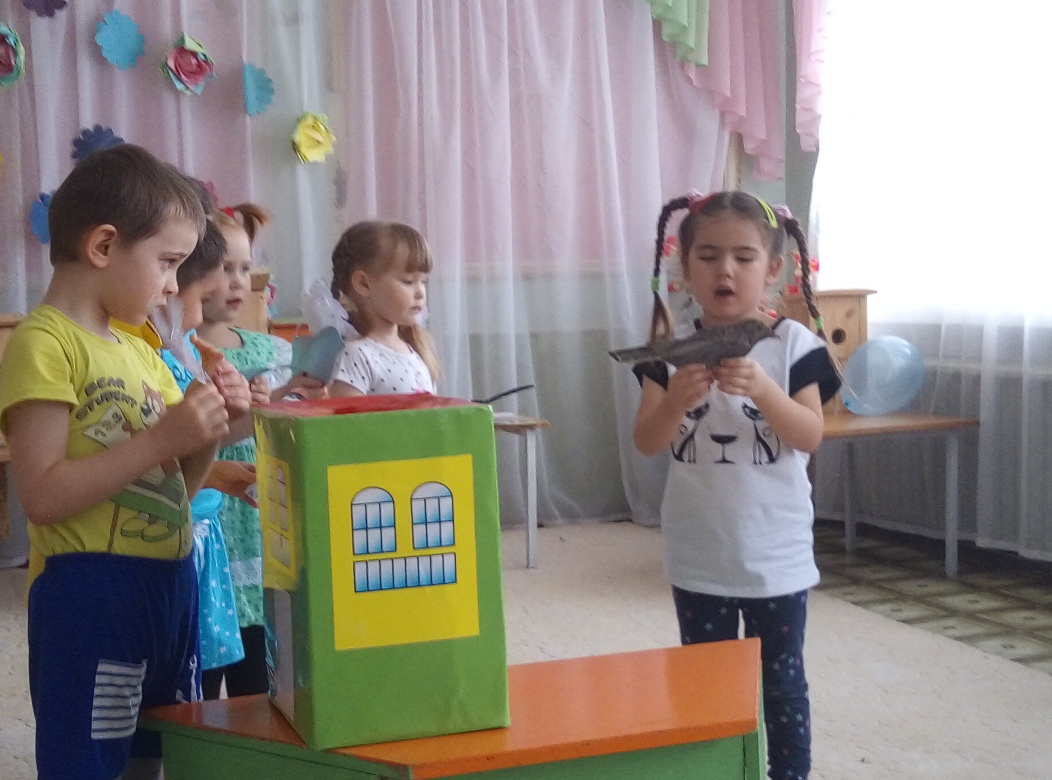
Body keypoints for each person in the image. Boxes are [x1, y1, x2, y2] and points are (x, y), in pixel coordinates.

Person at [0, 144, 235, 780]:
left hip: (168, 586)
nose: (173, 286)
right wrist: (160, 440)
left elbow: (176, 491)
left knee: (155, 752)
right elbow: (42, 496)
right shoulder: (44, 343)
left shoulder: (141, 353)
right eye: (168, 263)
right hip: (90, 595)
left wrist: (211, 427)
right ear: (103, 245)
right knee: (88, 760)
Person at [631, 191, 840, 780]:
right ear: (685, 266)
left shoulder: (794, 346)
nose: (726, 270)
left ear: (772, 269)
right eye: (709, 256)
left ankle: (789, 774)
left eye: (744, 258)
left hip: (776, 554)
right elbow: (647, 441)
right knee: (706, 684)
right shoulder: (668, 352)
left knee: (781, 679)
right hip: (700, 554)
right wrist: (675, 399)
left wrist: (765, 390)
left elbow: (810, 435)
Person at [193, 202, 322, 698]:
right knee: (202, 678)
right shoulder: (173, 351)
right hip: (210, 518)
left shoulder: (267, 349)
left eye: (245, 269)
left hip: (257, 515)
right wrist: (254, 412)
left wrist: (290, 395)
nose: (236, 282)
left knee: (259, 679)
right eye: (223, 267)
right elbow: (191, 440)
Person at [151, 200, 252, 685]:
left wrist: (233, 418)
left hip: (201, 533)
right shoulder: (153, 360)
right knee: (182, 682)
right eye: (203, 295)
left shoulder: (183, 354)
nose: (194, 315)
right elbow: (154, 459)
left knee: (199, 682)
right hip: (173, 538)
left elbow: (180, 454)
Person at [327, 220, 439, 397]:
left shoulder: (415, 352)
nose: (420, 293)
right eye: (408, 281)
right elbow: (347, 415)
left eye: (423, 282)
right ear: (364, 284)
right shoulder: (357, 355)